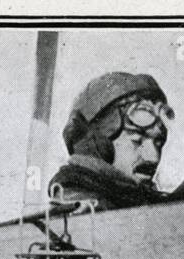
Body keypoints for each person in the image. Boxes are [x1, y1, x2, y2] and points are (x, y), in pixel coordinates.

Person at [48, 72, 174, 212]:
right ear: (99, 145)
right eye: (137, 141)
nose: (153, 158)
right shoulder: (86, 211)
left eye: (158, 142)